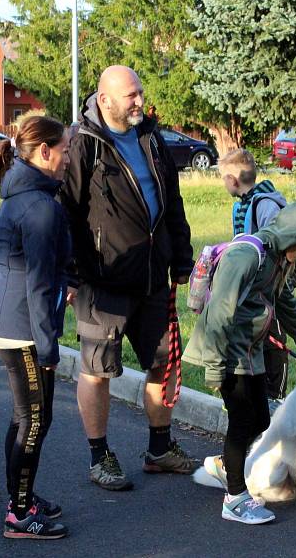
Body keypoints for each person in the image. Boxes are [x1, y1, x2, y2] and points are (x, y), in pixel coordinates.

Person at [59, 65, 197, 491]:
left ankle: (159, 448)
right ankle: (100, 456)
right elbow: (65, 211)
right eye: (130, 96)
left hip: (155, 276)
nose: (139, 101)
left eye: (139, 92)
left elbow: (171, 200)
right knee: (98, 370)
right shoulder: (85, 144)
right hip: (104, 281)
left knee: (164, 362)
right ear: (104, 100)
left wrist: (183, 257)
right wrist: (66, 274)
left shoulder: (150, 137)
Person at [183, 201, 296, 524]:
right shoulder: (247, 256)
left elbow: (286, 305)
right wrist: (216, 368)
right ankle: (234, 499)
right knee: (242, 420)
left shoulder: (279, 260)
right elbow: (220, 312)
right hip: (227, 351)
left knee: (261, 420)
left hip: (251, 350)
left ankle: (225, 466)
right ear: (293, 237)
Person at [0, 115, 72, 539]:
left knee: (27, 418)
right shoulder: (39, 208)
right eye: (66, 149)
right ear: (46, 152)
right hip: (23, 330)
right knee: (34, 420)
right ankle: (19, 513)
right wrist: (48, 349)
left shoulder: (27, 193)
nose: (69, 157)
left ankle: (22, 496)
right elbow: (37, 284)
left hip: (12, 322)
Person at [219, 149, 291, 412]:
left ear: (233, 179)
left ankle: (276, 394)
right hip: (249, 285)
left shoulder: (264, 203)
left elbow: (275, 243)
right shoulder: (242, 204)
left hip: (268, 284)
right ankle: (257, 390)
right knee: (257, 334)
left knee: (275, 335)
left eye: (223, 178)